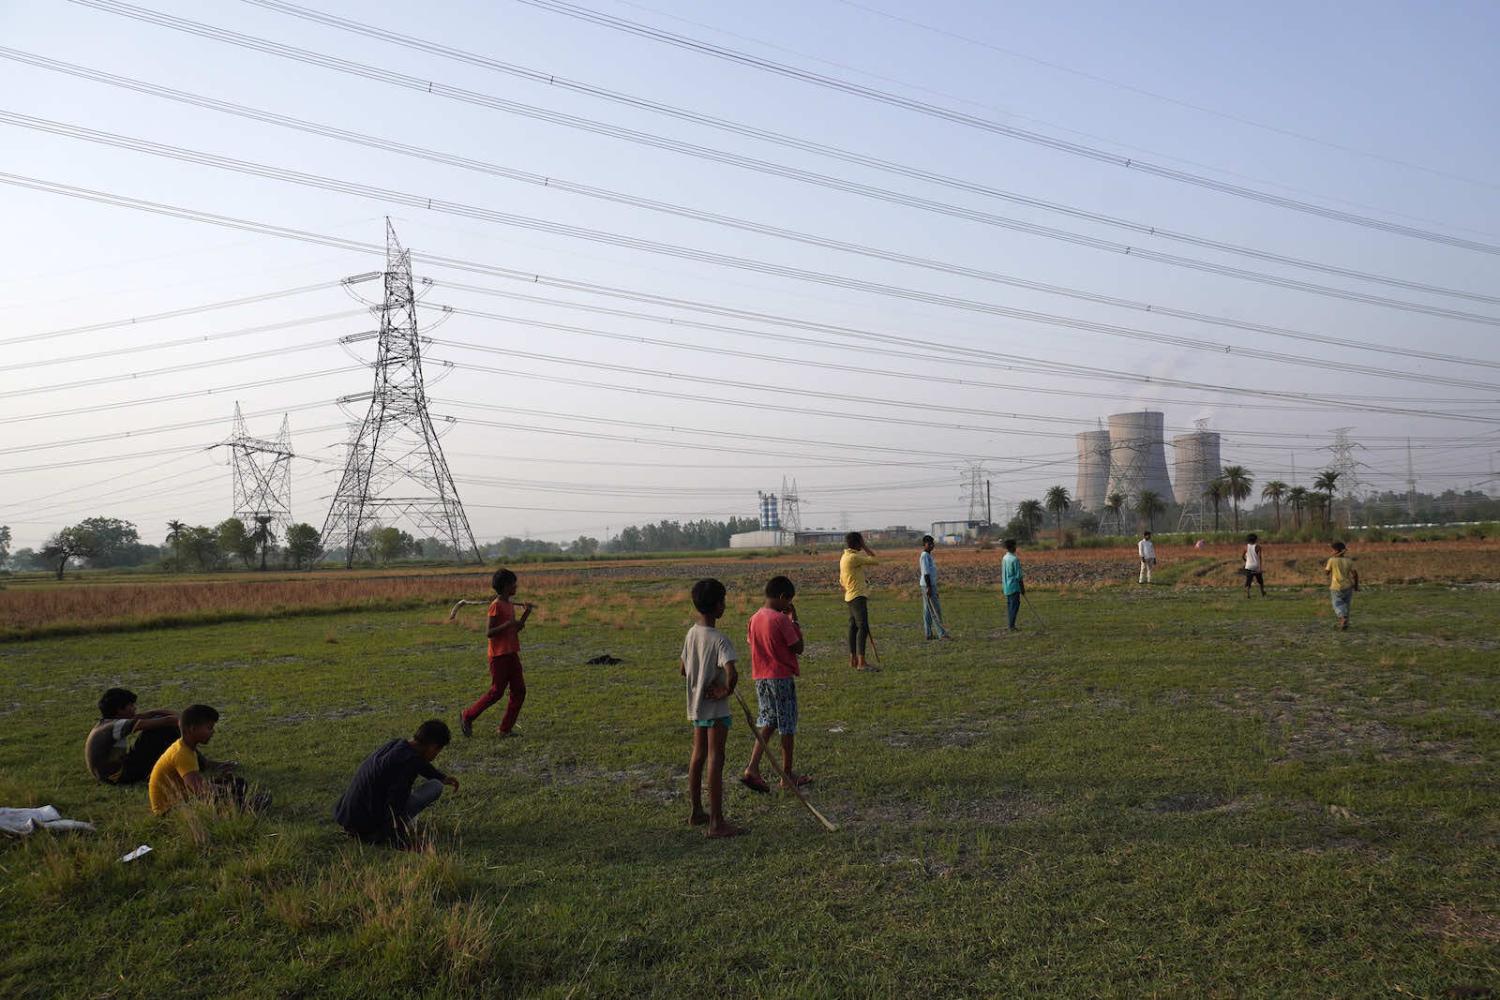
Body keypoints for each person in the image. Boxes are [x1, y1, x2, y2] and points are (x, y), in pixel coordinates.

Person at [680, 578, 745, 838]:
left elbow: (683, 669)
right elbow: (732, 673)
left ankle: (697, 811)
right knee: (716, 758)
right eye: (724, 601)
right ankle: (716, 822)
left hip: (697, 706)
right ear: (718, 605)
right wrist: (725, 690)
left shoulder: (691, 633)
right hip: (716, 710)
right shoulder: (720, 640)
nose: (725, 605)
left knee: (698, 756)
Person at [334, 720, 459, 848]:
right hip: (367, 828)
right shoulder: (407, 765)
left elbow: (419, 763)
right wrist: (402, 842)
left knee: (436, 782)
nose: (436, 755)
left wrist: (441, 777)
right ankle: (378, 832)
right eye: (438, 751)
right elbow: (394, 804)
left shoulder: (397, 745)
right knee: (435, 787)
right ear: (433, 747)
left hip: (347, 817)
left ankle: (374, 829)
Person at [740, 576, 809, 795]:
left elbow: (752, 642)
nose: (789, 604)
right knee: (787, 725)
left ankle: (752, 767)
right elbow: (798, 647)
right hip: (780, 678)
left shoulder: (754, 618)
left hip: (761, 677)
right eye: (788, 600)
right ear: (782, 597)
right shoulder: (781, 620)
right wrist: (794, 620)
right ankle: (786, 775)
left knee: (769, 720)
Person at [147, 704, 259, 815]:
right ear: (193, 729)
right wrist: (225, 790)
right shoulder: (182, 754)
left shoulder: (185, 748)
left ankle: (241, 804)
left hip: (179, 801)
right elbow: (200, 789)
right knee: (231, 792)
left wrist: (223, 783)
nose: (213, 732)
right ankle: (246, 807)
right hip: (169, 812)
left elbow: (195, 783)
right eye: (209, 728)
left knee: (237, 784)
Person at [460, 568, 533, 738]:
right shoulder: (495, 606)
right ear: (506, 586)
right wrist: (507, 625)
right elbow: (489, 632)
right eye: (514, 584)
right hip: (498, 656)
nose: (516, 586)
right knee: (497, 692)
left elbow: (515, 629)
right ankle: (467, 715)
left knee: (519, 691)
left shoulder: (509, 604)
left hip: (512, 653)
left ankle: (505, 729)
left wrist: (526, 613)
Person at [84, 687, 179, 785]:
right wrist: (183, 719)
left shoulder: (107, 723)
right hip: (118, 776)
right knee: (161, 729)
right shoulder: (117, 725)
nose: (135, 708)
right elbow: (167, 721)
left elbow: (153, 713)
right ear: (120, 710)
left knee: (159, 721)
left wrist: (177, 716)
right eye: (131, 705)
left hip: (107, 775)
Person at [839, 531, 879, 670]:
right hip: (857, 597)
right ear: (857, 543)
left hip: (849, 596)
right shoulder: (853, 557)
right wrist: (865, 547)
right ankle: (862, 662)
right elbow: (875, 560)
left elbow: (841, 580)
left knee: (853, 627)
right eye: (861, 541)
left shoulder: (844, 557)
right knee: (863, 627)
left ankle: (853, 659)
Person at [918, 535, 951, 640]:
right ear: (924, 544)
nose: (931, 545)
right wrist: (929, 588)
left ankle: (928, 634)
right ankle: (942, 634)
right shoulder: (924, 556)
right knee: (935, 610)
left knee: (927, 611)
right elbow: (926, 573)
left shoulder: (929, 555)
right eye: (929, 543)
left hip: (930, 585)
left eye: (932, 543)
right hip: (927, 585)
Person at [1324, 541, 1360, 630]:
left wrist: (1330, 566)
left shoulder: (1331, 560)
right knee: (1346, 605)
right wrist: (1356, 586)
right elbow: (1355, 574)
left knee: (1337, 604)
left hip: (1336, 587)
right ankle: (1344, 623)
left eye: (1332, 550)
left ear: (1336, 551)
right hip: (1348, 586)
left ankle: (1343, 619)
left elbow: (1326, 572)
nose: (1331, 552)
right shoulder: (1349, 561)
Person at [1001, 538, 1025, 631]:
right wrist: (1022, 588)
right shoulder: (1015, 559)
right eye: (1015, 545)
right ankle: (1011, 626)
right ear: (1011, 547)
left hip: (1006, 586)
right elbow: (1019, 576)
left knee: (1010, 605)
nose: (1016, 547)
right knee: (1014, 606)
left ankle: (1011, 624)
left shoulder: (1005, 558)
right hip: (1014, 586)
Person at [1242, 533, 1266, 597]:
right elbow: (1259, 557)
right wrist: (1260, 567)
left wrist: (1246, 561)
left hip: (1248, 566)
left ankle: (1248, 593)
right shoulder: (1258, 547)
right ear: (1255, 539)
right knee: (1260, 580)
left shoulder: (1246, 547)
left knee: (1248, 580)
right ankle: (1262, 592)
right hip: (1256, 566)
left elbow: (1242, 556)